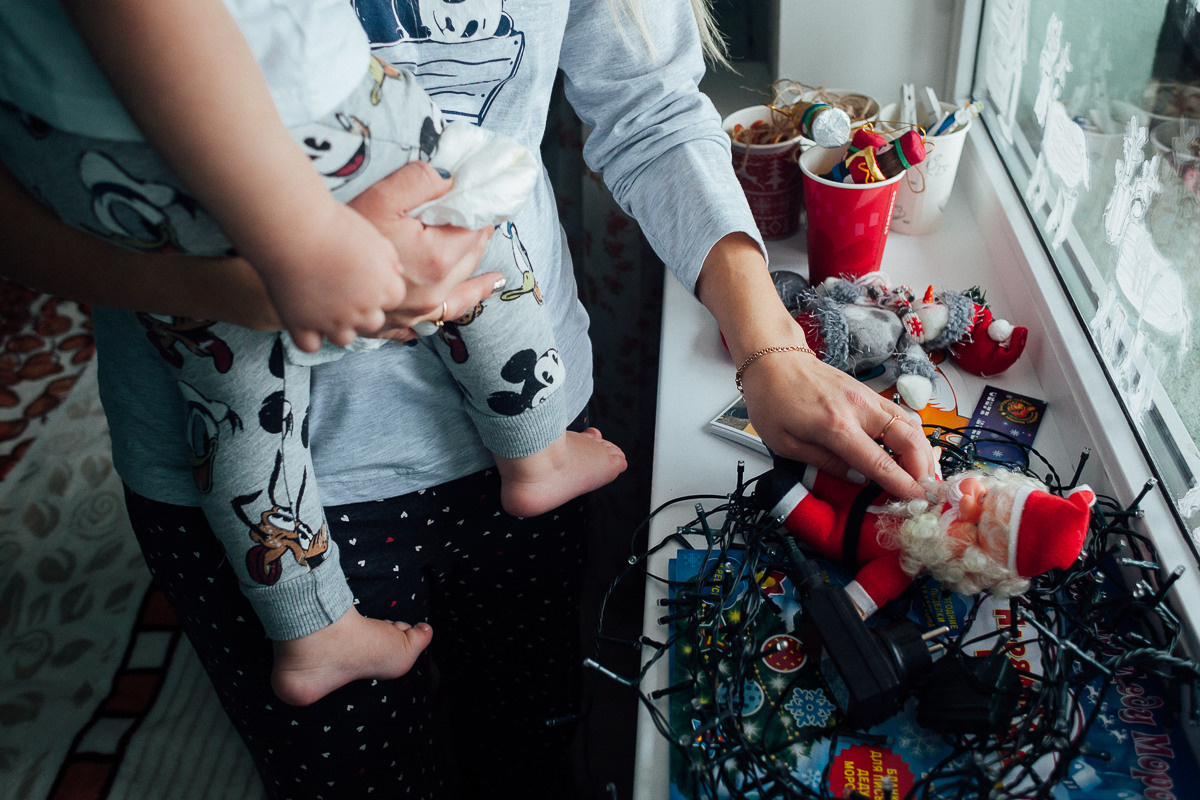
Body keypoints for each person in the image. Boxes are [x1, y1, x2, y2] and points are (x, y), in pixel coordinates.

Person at [0, 1, 940, 797]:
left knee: (528, 745)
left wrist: (769, 342)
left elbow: (651, 106)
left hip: (514, 429)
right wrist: (249, 290)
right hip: (244, 495)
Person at [0, 0, 627, 709]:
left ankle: (311, 630)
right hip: (291, 96)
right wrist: (297, 239)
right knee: (469, 192)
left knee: (231, 396)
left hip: (80, 155)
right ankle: (538, 453)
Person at [758, 458, 1094, 618]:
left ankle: (787, 492)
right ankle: (802, 469)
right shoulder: (929, 481)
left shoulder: (904, 563)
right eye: (981, 498)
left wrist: (844, 615)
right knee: (805, 463)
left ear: (971, 566)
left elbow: (866, 593)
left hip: (837, 532)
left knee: (780, 490)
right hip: (856, 486)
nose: (963, 504)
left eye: (975, 531)